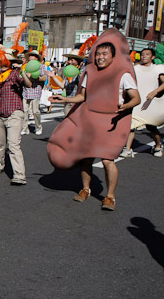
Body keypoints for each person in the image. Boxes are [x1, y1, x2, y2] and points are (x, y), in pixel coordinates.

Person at [49, 32, 141, 211]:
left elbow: (136, 98)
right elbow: (82, 96)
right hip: (90, 120)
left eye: (104, 54)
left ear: (113, 56)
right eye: (98, 54)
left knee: (108, 161)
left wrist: (125, 106)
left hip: (113, 122)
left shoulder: (123, 74)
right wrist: (64, 99)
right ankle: (85, 189)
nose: (100, 57)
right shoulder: (89, 71)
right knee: (86, 159)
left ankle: (110, 196)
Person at [0, 49, 31, 185]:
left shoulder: (15, 74)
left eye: (5, 61)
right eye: (1, 61)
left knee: (13, 144)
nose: (2, 64)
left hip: (14, 112)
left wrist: (22, 72)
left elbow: (28, 84)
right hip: (0, 113)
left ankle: (19, 175)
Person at [120, 47, 164, 158]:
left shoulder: (157, 69)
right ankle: (127, 149)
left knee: (151, 127)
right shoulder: (135, 68)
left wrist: (154, 92)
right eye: (142, 54)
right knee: (131, 126)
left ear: (153, 57)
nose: (144, 56)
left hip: (150, 103)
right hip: (136, 102)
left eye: (147, 54)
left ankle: (157, 145)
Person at [21, 50, 46, 135]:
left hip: (36, 89)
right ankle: (25, 128)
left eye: (33, 55)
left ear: (36, 58)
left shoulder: (41, 66)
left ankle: (38, 127)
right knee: (24, 110)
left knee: (35, 111)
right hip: (26, 90)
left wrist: (34, 77)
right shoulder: (25, 66)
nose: (31, 57)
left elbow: (44, 78)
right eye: (30, 55)